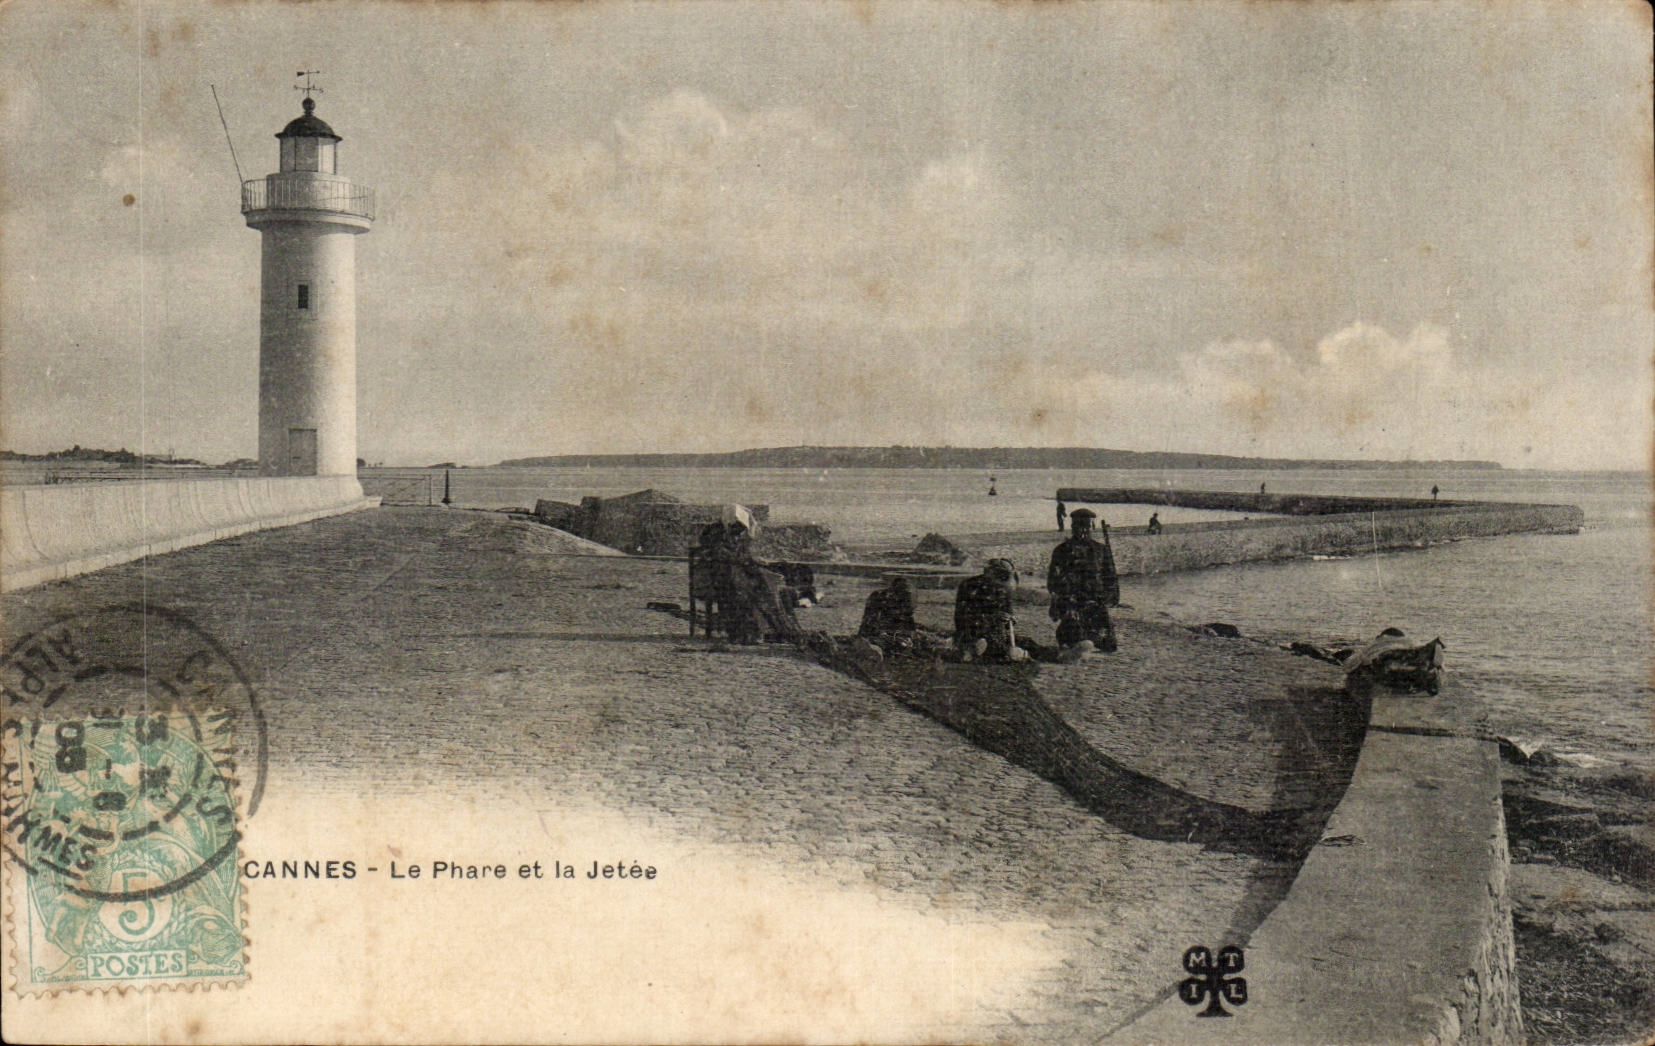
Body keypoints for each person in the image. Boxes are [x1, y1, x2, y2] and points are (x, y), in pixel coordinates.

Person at [1047, 508, 1119, 652]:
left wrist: (1108, 598)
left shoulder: (1101, 550)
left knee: (1109, 644)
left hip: (1096, 601)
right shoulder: (1062, 550)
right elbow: (1053, 580)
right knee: (1071, 637)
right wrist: (1062, 600)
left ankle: (1090, 638)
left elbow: (1110, 577)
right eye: (1079, 526)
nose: (1083, 531)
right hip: (1071, 602)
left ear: (1092, 528)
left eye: (1086, 527)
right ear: (1073, 528)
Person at [953, 559, 1026, 662]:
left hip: (995, 631)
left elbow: (1008, 610)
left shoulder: (1003, 589)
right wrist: (992, 617)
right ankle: (971, 648)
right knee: (977, 649)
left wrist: (1010, 619)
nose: (1000, 591)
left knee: (1018, 647)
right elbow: (962, 618)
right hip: (972, 630)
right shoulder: (970, 587)